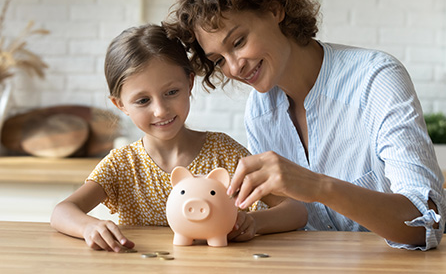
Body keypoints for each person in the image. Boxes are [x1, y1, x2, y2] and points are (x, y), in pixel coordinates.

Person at [163, 0, 446, 251]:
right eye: (219, 60)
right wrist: (252, 222)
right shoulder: (260, 109)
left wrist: (317, 186)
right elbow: (300, 211)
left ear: (274, 10)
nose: (234, 67)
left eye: (238, 42)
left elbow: (425, 226)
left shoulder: (375, 79)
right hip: (339, 259)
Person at [50, 24, 307, 252]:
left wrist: (254, 222)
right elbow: (62, 211)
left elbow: (296, 210)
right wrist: (90, 227)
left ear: (190, 83)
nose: (160, 110)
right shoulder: (122, 165)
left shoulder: (224, 153)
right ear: (120, 105)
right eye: (142, 101)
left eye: (172, 92)